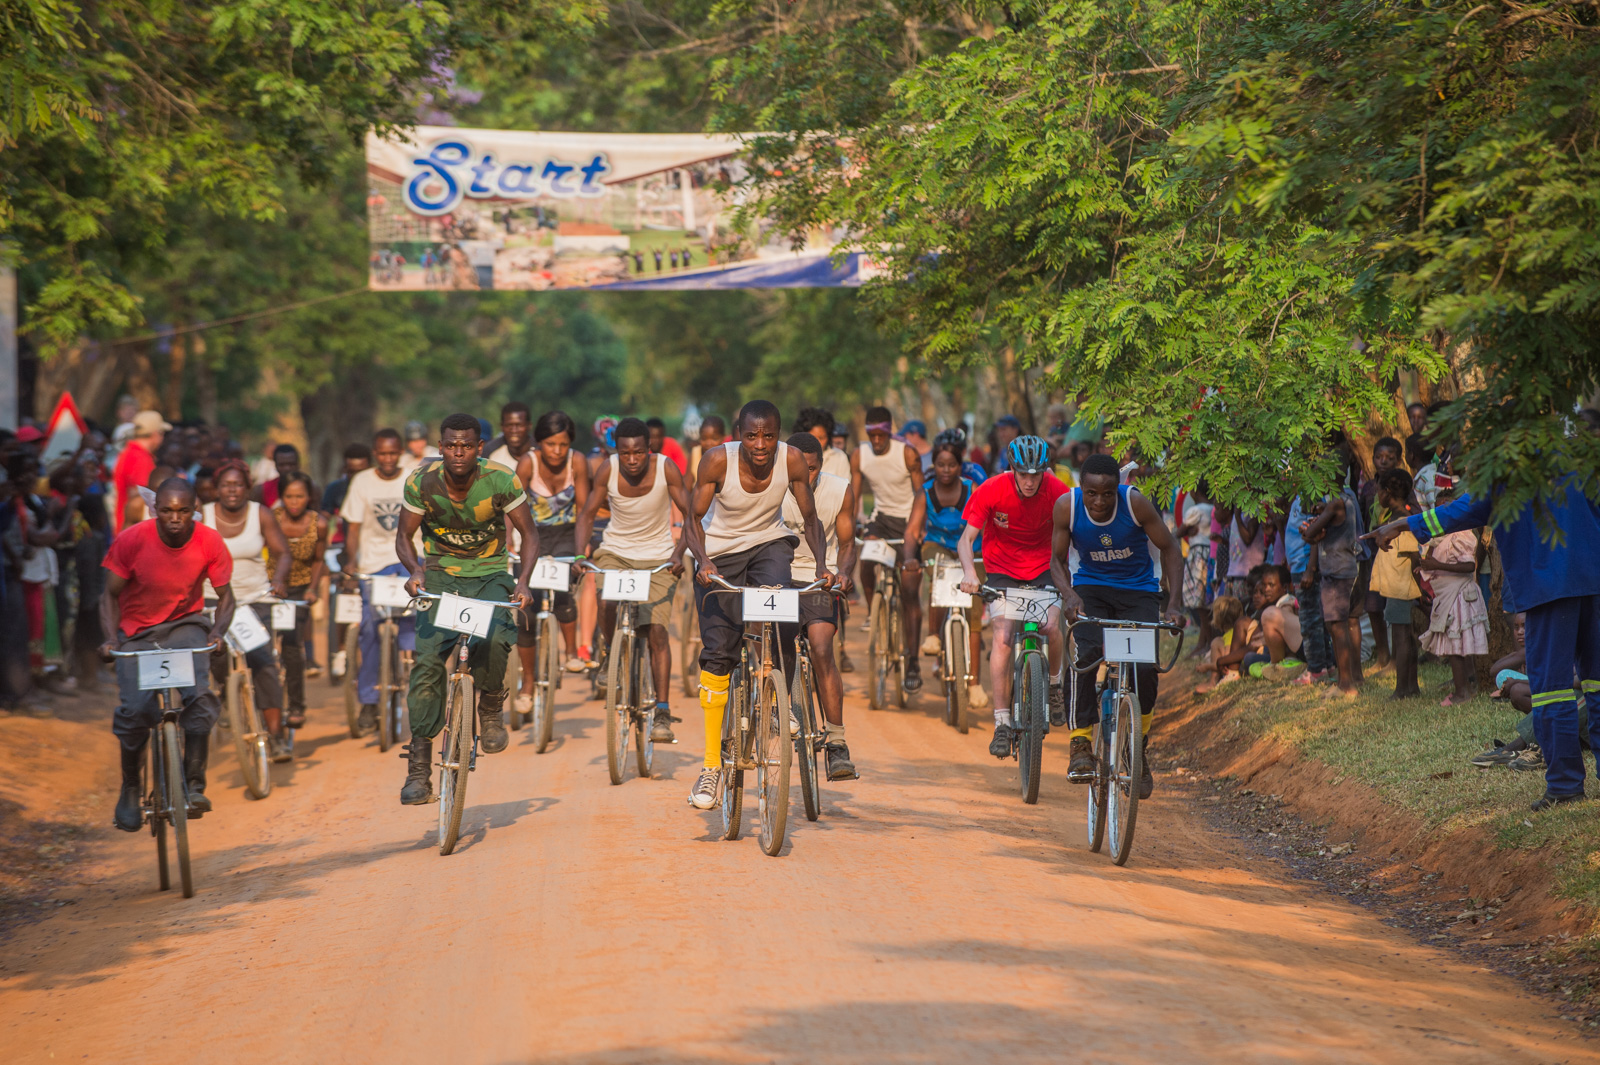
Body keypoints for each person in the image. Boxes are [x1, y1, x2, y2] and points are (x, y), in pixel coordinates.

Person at [1368, 470, 1600, 811]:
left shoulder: (1510, 464)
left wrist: (1403, 524)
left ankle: (1565, 786)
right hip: (1593, 579)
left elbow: (1464, 509)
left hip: (1550, 586)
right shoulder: (1579, 451)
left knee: (1552, 691)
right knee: (1596, 684)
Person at [681, 400, 831, 810]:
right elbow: (694, 520)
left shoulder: (793, 460)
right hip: (720, 556)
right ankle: (712, 766)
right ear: (738, 434)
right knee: (718, 655)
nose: (760, 444)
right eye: (751, 435)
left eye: (768, 435)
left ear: (779, 434)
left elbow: (811, 517)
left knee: (781, 607)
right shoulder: (716, 461)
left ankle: (777, 699)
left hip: (769, 546)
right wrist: (704, 561)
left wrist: (821, 563)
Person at [396, 414, 538, 804]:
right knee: (426, 664)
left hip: (490, 574)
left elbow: (529, 534)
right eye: (451, 445)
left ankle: (490, 706)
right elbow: (404, 537)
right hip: (440, 576)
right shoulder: (420, 481)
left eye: (466, 446)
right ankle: (419, 769)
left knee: (494, 639)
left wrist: (522, 580)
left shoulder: (501, 479)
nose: (458, 452)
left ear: (479, 448)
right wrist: (414, 570)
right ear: (440, 448)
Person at [101, 478, 236, 830]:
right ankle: (131, 787)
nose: (174, 518)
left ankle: (193, 784)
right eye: (166, 511)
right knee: (135, 711)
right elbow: (109, 596)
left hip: (184, 625)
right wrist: (109, 638)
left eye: (182, 511)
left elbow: (226, 597)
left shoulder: (209, 540)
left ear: (195, 510)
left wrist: (218, 631)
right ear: (155, 509)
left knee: (199, 697)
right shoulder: (131, 540)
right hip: (137, 633)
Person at [1050, 451, 1184, 794]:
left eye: (1107, 493)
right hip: (1090, 589)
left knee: (1145, 669)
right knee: (1085, 655)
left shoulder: (1135, 504)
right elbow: (1056, 560)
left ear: (1117, 488)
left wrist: (1174, 603)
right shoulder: (1067, 506)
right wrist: (1069, 596)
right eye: (1092, 493)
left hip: (1138, 591)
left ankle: (1136, 746)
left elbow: (1170, 549)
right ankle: (1080, 744)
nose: (1099, 501)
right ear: (1081, 488)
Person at [573, 418, 691, 742]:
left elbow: (691, 515)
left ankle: (663, 710)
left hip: (658, 557)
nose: (632, 459)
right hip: (616, 552)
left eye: (638, 452)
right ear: (617, 451)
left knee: (656, 632)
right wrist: (580, 553)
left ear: (649, 450)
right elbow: (586, 514)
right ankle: (610, 654)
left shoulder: (667, 469)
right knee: (607, 600)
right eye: (625, 453)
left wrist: (680, 552)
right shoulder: (607, 470)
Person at [955, 435, 1070, 756]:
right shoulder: (991, 489)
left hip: (1046, 567)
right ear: (1012, 469)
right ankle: (1002, 721)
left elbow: (1076, 533)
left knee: (1050, 625)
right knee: (1003, 636)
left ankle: (1055, 684)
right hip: (1002, 570)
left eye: (1036, 474)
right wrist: (969, 573)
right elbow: (966, 540)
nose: (1030, 481)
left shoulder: (1059, 491)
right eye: (1023, 474)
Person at [779, 432, 860, 778]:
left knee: (822, 647)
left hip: (818, 580)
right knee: (772, 647)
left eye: (812, 470)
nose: (806, 477)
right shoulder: (770, 488)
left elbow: (846, 542)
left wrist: (843, 572)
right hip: (778, 578)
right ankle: (777, 710)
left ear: (820, 467)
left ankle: (838, 742)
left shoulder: (839, 490)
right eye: (800, 469)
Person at [203, 461, 293, 760]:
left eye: (238, 484)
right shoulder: (201, 516)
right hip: (213, 601)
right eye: (226, 485)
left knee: (263, 663)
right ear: (217, 489)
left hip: (254, 600)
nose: (232, 490)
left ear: (247, 487)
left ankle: (276, 735)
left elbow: (282, 552)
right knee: (215, 656)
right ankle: (228, 699)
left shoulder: (260, 514)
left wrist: (279, 579)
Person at [340, 428, 414, 735]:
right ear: (375, 454)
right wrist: (352, 562)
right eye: (382, 454)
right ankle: (369, 699)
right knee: (369, 628)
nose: (387, 459)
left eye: (392, 453)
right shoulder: (362, 482)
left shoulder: (413, 477)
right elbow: (354, 528)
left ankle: (422, 684)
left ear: (400, 452)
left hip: (410, 559)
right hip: (374, 563)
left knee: (419, 620)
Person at [850, 406, 928, 692]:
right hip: (881, 520)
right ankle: (875, 611)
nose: (877, 440)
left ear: (890, 430)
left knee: (909, 592)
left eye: (882, 434)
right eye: (872, 434)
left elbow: (922, 493)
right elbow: (855, 494)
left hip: (909, 520)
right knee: (867, 560)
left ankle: (912, 660)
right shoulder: (860, 454)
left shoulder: (906, 452)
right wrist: (853, 521)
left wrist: (919, 529)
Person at [516, 410, 590, 671]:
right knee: (527, 608)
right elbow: (510, 508)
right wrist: (508, 542)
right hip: (532, 537)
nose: (557, 451)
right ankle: (527, 683)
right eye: (550, 444)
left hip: (568, 536)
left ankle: (570, 652)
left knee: (563, 595)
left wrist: (582, 550)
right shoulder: (528, 464)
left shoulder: (577, 462)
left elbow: (583, 511)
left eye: (563, 444)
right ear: (539, 442)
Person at [921, 434, 989, 711]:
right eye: (940, 464)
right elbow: (914, 529)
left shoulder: (974, 489)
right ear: (934, 465)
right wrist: (912, 556)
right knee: (937, 577)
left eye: (951, 464)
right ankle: (933, 635)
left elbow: (987, 523)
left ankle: (974, 684)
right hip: (936, 546)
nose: (946, 469)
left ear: (960, 466)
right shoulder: (924, 491)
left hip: (972, 551)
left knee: (974, 613)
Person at [270, 471, 327, 728]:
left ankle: (296, 705)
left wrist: (312, 589)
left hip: (300, 590)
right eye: (289, 496)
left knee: (292, 646)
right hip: (270, 589)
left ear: (309, 497)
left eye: (300, 496)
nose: (294, 502)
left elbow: (318, 560)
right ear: (281, 497)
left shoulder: (319, 524)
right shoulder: (270, 519)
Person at [1300, 483, 1365, 697]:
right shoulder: (1340, 500)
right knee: (1337, 625)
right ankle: (1347, 680)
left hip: (1338, 571)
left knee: (1337, 625)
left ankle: (1346, 684)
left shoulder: (1337, 502)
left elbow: (1310, 533)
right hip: (1338, 569)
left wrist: (1309, 530)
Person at [1369, 468, 1422, 698]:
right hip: (1397, 587)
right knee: (1405, 637)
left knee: (1402, 639)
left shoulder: (1401, 521)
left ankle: (1403, 688)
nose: (1377, 495)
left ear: (1387, 492)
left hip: (1402, 588)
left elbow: (1413, 556)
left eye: (1379, 490)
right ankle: (1411, 687)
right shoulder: (1394, 518)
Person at [321, 443, 372, 681]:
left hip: (371, 548)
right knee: (339, 594)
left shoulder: (373, 488)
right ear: (344, 468)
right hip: (342, 548)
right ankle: (340, 650)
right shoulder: (335, 489)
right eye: (351, 471)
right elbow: (324, 520)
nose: (355, 477)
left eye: (360, 471)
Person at [1358, 436, 1408, 668]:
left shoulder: (1403, 486)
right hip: (1372, 554)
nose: (1384, 461)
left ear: (1399, 460)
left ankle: (1397, 659)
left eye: (1390, 457)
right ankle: (1382, 655)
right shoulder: (1369, 487)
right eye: (1379, 457)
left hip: (1395, 553)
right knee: (1373, 605)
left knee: (1396, 609)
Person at [112, 411, 169, 533]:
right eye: (162, 434)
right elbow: (140, 497)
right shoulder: (140, 458)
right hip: (133, 530)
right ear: (156, 434)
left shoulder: (129, 452)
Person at [794, 407, 851, 480]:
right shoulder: (794, 456)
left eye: (821, 438)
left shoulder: (839, 457)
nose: (817, 442)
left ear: (828, 437)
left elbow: (844, 488)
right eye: (812, 437)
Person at [487, 401, 534, 474]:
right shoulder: (490, 451)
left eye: (519, 425)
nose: (514, 430)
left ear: (529, 426)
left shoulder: (540, 449)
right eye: (509, 425)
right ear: (502, 427)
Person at [253, 443, 300, 508]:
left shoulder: (311, 489)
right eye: (282, 465)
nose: (287, 468)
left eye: (291, 464)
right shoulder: (261, 490)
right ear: (275, 465)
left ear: (298, 464)